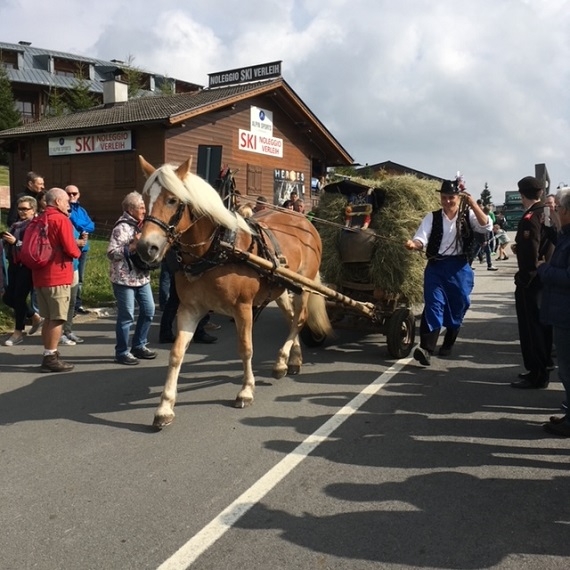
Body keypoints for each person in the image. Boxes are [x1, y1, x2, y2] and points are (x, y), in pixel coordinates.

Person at [405, 177, 493, 365]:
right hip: (436, 267)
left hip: (460, 268)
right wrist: (414, 244)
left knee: (459, 305)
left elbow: (486, 225)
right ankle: (426, 349)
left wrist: (472, 204)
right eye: (444, 197)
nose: (447, 201)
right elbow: (422, 238)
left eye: (451, 198)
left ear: (459, 198)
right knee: (433, 304)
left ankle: (449, 342)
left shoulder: (468, 215)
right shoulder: (432, 217)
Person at [510, 176, 554, 389]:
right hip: (545, 277)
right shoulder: (546, 213)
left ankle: (537, 373)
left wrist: (524, 276)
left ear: (522, 194)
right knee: (542, 326)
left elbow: (531, 248)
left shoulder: (530, 217)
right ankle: (543, 366)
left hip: (531, 280)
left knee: (531, 327)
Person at [31, 188, 82, 372]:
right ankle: (50, 356)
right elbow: (71, 248)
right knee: (58, 318)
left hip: (39, 275)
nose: (69, 204)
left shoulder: (38, 218)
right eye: (67, 200)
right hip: (57, 275)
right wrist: (78, 250)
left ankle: (48, 353)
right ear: (58, 201)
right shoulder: (60, 219)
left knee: (48, 318)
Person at [107, 192, 156, 365]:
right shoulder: (122, 227)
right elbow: (111, 253)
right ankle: (121, 352)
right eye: (141, 207)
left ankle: (139, 345)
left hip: (141, 277)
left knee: (149, 310)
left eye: (144, 207)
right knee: (127, 315)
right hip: (124, 279)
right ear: (130, 209)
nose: (144, 210)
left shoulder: (143, 225)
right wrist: (133, 246)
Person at [539, 187, 570, 436]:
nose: (556, 212)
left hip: (567, 314)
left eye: (559, 209)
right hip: (562, 311)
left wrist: (544, 269)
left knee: (568, 370)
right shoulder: (566, 234)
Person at [1, 195, 43, 345]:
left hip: (27, 266)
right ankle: (34, 316)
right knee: (8, 297)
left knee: (19, 297)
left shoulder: (36, 225)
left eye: (25, 209)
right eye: (19, 209)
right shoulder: (16, 225)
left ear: (33, 210)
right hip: (13, 264)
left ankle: (18, 332)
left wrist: (16, 242)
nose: (22, 212)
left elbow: (34, 248)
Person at [158, 252, 217, 344]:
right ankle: (198, 333)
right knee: (176, 301)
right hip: (182, 270)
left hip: (185, 269)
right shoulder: (177, 240)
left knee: (175, 302)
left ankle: (166, 333)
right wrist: (178, 271)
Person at [66, 185, 95, 315]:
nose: (72, 196)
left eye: (74, 193)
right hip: (72, 247)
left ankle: (78, 304)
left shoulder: (82, 210)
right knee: (71, 277)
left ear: (79, 194)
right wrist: (83, 226)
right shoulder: (66, 209)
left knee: (80, 278)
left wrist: (83, 227)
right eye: (69, 193)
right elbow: (75, 222)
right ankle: (70, 305)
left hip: (84, 247)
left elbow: (92, 225)